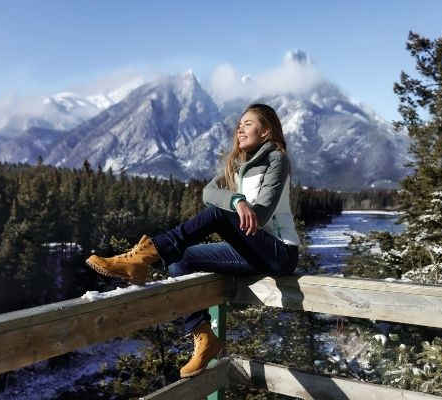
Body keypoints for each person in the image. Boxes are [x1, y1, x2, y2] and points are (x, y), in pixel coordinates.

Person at [85, 103, 300, 378]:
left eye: (248, 123)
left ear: (266, 131)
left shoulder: (276, 159)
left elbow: (263, 211)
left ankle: (144, 256)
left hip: (279, 252)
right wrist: (236, 199)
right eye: (239, 123)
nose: (240, 127)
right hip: (251, 250)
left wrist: (240, 208)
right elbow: (208, 192)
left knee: (217, 216)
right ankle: (202, 335)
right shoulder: (238, 165)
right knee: (181, 258)